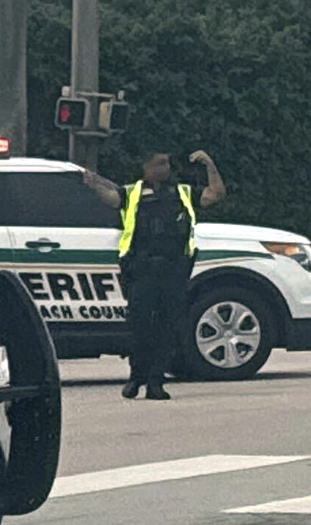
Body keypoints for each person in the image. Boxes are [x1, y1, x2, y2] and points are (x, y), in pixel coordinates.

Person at [81, 148, 224, 399]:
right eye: (159, 164)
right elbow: (111, 198)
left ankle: (156, 383)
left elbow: (216, 194)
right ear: (146, 168)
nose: (164, 168)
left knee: (167, 328)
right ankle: (136, 378)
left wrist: (210, 164)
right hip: (141, 270)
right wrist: (93, 184)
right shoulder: (132, 193)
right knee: (140, 328)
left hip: (173, 270)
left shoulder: (183, 192)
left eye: (167, 164)